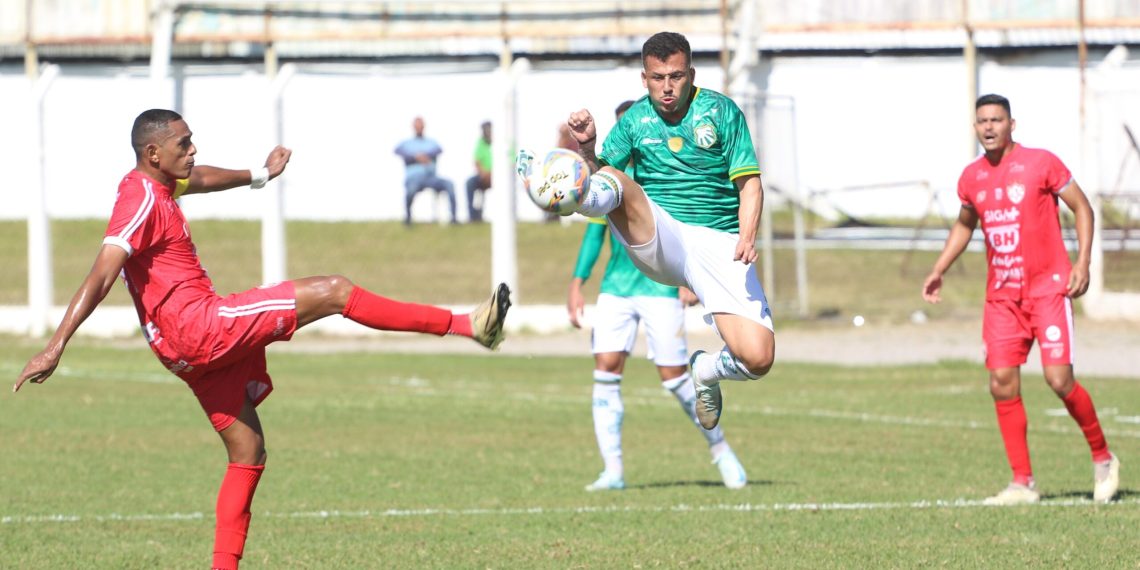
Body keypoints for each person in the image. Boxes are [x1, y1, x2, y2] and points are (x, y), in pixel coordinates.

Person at [13, 109, 512, 570]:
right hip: (202, 327)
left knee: (248, 451)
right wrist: (56, 345)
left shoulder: (160, 183)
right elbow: (101, 275)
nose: (193, 149)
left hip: (179, 350)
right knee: (335, 291)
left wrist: (259, 174)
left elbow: (199, 179)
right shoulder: (140, 199)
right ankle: (467, 325)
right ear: (153, 153)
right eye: (184, 144)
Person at [520, 31, 774, 431]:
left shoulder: (721, 112)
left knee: (758, 358)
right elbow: (601, 170)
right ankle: (567, 195)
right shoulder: (635, 121)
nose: (667, 87)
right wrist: (586, 149)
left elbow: (750, 183)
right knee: (619, 181)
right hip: (662, 234)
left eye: (676, 76)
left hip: (721, 243)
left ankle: (706, 370)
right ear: (644, 78)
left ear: (691, 74)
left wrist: (746, 236)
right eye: (658, 78)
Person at [922, 94, 1120, 505]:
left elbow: (1083, 208)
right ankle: (1022, 482)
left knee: (1058, 380)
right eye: (982, 121)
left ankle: (1103, 458)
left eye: (996, 120)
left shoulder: (1041, 163)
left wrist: (1082, 262)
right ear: (975, 128)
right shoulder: (971, 177)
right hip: (1002, 298)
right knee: (1000, 382)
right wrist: (940, 268)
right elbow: (965, 225)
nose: (989, 127)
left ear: (1012, 124)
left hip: (1048, 290)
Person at [568, 98, 748, 491]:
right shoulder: (609, 181)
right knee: (605, 371)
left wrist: (689, 278)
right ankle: (613, 470)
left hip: (659, 287)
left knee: (673, 376)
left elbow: (686, 233)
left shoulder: (661, 178)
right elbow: (594, 233)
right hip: (617, 288)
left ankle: (721, 450)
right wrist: (577, 282)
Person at [394, 116, 457, 225]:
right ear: (413, 127)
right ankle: (408, 219)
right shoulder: (407, 143)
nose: (419, 127)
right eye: (417, 125)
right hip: (414, 177)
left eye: (421, 125)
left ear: (424, 126)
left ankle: (453, 219)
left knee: (449, 184)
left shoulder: (431, 142)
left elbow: (439, 150)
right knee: (410, 191)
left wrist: (426, 156)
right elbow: (397, 151)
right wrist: (415, 157)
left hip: (431, 176)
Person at [465, 120, 493, 223]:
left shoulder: (503, 142)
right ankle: (473, 216)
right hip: (484, 176)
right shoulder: (480, 142)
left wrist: (492, 174)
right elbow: (477, 162)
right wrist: (483, 173)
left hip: (499, 177)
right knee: (470, 183)